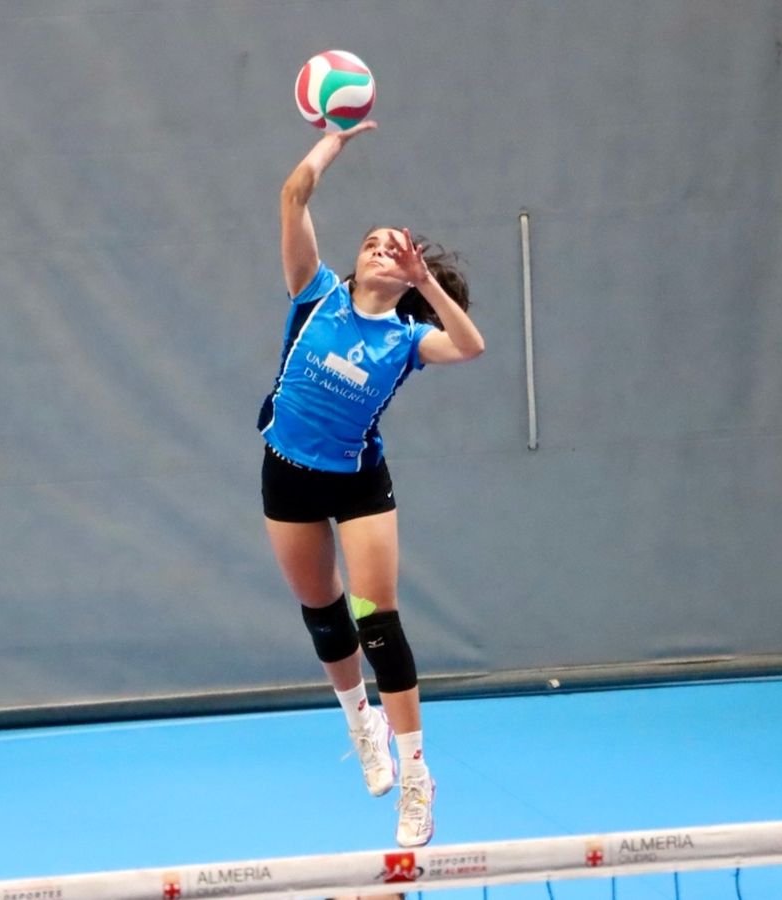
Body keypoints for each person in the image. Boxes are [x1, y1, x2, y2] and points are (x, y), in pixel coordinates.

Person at [258, 120, 485, 848]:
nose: (382, 246)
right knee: (323, 614)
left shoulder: (408, 339)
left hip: (357, 486)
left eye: (399, 244)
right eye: (373, 240)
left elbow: (470, 345)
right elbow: (294, 195)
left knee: (375, 619)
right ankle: (360, 721)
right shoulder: (315, 293)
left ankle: (417, 777)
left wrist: (428, 287)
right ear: (354, 262)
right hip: (287, 475)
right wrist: (335, 139)